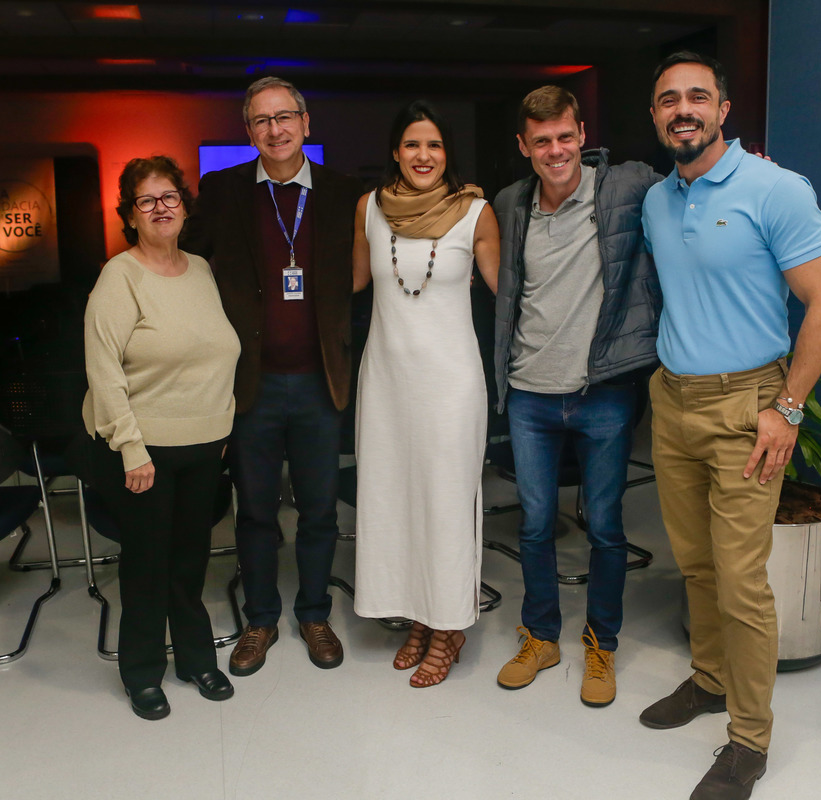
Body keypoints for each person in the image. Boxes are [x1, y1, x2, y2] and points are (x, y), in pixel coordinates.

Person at [640, 52, 821, 800]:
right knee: (694, 564)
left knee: (741, 581)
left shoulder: (775, 188)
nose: (683, 109)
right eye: (669, 100)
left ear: (725, 109)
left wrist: (786, 410)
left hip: (747, 408)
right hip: (673, 400)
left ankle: (749, 740)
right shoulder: (658, 200)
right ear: (656, 116)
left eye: (698, 96)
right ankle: (708, 678)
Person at [491, 86, 661, 707]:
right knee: (535, 526)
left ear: (581, 134)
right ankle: (540, 636)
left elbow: (699, 180)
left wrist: (760, 169)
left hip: (603, 393)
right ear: (523, 146)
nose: (555, 150)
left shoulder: (627, 186)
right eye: (542, 141)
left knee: (607, 527)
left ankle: (601, 642)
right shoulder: (511, 204)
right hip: (531, 393)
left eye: (565, 136)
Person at [186, 77, 362, 677]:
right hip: (251, 386)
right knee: (255, 510)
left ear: (307, 124)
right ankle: (260, 618)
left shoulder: (344, 193)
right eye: (262, 121)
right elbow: (180, 257)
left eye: (285, 117)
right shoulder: (222, 191)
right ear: (248, 131)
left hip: (320, 382)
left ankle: (314, 613)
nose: (275, 129)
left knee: (318, 510)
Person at [82, 155, 240, 720]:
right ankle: (142, 671)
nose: (160, 209)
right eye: (146, 201)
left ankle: (196, 658)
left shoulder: (200, 269)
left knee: (191, 561)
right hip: (142, 453)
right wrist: (130, 447)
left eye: (169, 197)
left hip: (203, 446)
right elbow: (103, 370)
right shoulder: (118, 276)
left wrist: (223, 420)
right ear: (129, 214)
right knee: (148, 566)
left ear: (184, 205)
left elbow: (217, 352)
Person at [351, 100, 499, 687]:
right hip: (386, 381)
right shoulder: (368, 211)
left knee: (445, 501)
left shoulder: (475, 212)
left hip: (450, 385)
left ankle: (450, 626)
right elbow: (345, 284)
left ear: (447, 154)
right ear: (395, 151)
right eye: (413, 144)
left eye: (434, 145)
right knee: (394, 500)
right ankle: (419, 614)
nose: (423, 156)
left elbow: (509, 291)